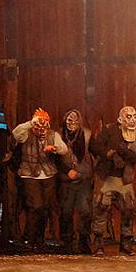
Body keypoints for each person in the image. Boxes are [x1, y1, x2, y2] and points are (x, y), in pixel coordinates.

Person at [89, 106, 136, 256]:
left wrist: (125, 152)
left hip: (124, 179)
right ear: (121, 119)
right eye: (129, 116)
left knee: (129, 208)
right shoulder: (109, 130)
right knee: (101, 207)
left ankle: (126, 242)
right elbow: (95, 146)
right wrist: (109, 154)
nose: (133, 120)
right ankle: (98, 242)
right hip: (106, 176)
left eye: (134, 116)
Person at [11, 109, 68, 250]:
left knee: (45, 207)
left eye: (44, 125)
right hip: (29, 174)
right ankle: (30, 238)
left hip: (48, 174)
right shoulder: (27, 134)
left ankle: (40, 239)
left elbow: (64, 149)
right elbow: (16, 133)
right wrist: (31, 123)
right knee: (35, 205)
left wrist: (54, 148)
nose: (41, 129)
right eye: (38, 125)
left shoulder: (53, 135)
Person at [56, 108, 93, 254]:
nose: (72, 123)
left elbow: (95, 150)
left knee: (85, 210)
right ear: (65, 120)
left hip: (83, 177)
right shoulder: (58, 135)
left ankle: (84, 242)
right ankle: (67, 242)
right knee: (66, 211)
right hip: (66, 179)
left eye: (75, 120)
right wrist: (67, 171)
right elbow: (55, 158)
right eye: (69, 120)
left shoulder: (87, 135)